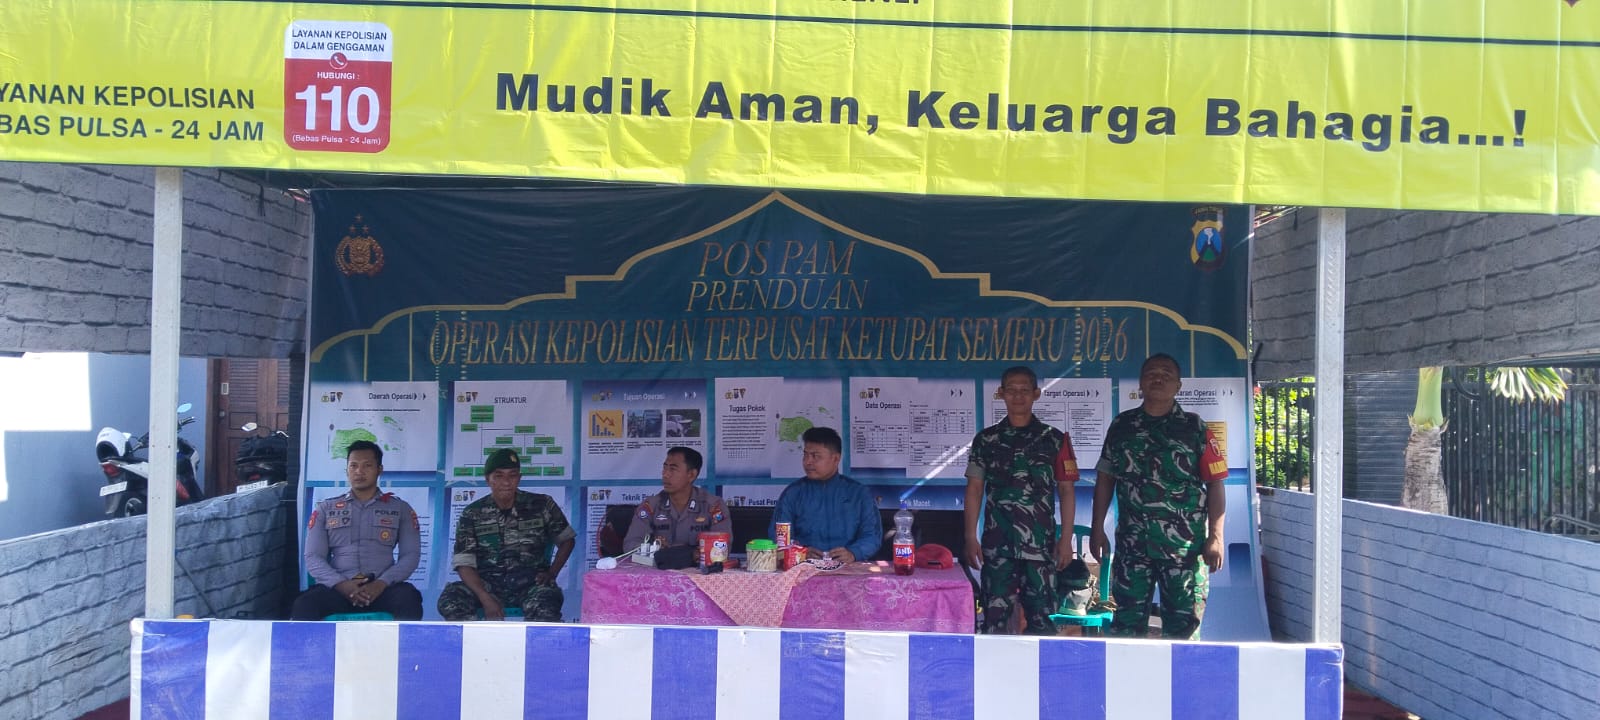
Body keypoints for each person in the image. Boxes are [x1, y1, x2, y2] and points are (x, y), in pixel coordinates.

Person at [1090, 353, 1227, 639]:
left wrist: (1216, 537)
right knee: (1127, 629)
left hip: (1184, 550)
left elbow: (1215, 484)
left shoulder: (1196, 428)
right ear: (1141, 383)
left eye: (1166, 374)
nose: (1158, 378)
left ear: (1178, 385)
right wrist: (1097, 528)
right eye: (1152, 373)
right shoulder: (1122, 426)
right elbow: (1105, 479)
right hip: (1133, 547)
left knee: (1184, 630)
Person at [964, 366, 1079, 635]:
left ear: (1036, 394)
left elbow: (1066, 491)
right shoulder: (986, 440)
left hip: (1041, 548)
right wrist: (970, 536)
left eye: (1024, 390)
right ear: (1001, 393)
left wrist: (1066, 541)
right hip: (998, 547)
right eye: (1011, 390)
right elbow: (975, 489)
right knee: (994, 621)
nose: (1018, 396)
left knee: (1043, 623)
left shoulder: (1055, 440)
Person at [438, 448, 576, 621]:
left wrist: (552, 573)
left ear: (519, 478)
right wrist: (485, 597)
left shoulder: (542, 505)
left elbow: (567, 540)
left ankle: (537, 640)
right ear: (488, 479)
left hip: (531, 584)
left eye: (512, 475)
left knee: (546, 604)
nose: (506, 482)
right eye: (498, 476)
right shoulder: (472, 513)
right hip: (487, 585)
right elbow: (464, 563)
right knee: (451, 600)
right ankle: (474, 638)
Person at [292, 440, 423, 620]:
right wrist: (342, 585)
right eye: (353, 466)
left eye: (367, 465)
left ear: (379, 470)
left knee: (409, 600)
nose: (359, 471)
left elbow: (411, 555)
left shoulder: (400, 509)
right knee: (305, 604)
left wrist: (381, 584)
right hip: (338, 588)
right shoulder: (326, 509)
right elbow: (313, 556)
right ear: (347, 470)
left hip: (382, 588)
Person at [770, 427, 881, 563]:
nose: (808, 462)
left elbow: (872, 536)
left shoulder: (859, 493)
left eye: (815, 456)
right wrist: (800, 552)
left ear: (836, 459)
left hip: (847, 568)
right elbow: (778, 537)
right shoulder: (793, 493)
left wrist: (853, 553)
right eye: (805, 455)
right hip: (803, 568)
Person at [622, 446, 732, 551]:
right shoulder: (651, 506)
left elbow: (722, 546)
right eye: (665, 468)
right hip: (659, 563)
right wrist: (653, 548)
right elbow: (630, 544)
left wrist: (687, 555)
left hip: (698, 564)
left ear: (691, 475)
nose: (665, 474)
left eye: (673, 469)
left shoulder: (713, 506)